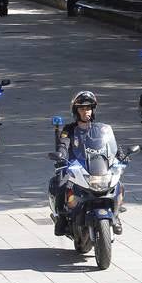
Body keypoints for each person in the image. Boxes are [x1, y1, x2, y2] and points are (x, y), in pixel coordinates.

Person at [50, 91, 126, 236]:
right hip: (76, 167)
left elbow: (110, 144)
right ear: (76, 111)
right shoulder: (69, 130)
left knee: (118, 184)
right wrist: (61, 154)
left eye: (89, 108)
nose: (86, 112)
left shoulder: (100, 129)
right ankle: (61, 219)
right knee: (61, 185)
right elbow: (64, 144)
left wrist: (121, 155)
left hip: (97, 167)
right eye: (82, 109)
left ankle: (116, 215)